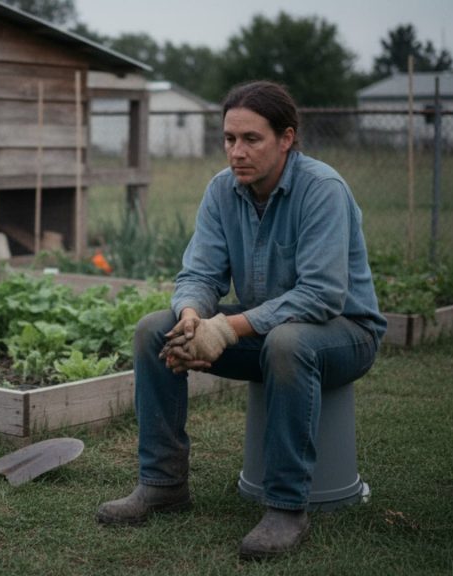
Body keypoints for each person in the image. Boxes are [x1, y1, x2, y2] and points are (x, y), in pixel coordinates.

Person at [95, 80, 387, 560]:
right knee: (154, 329)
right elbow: (200, 272)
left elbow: (321, 295)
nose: (237, 151)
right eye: (230, 139)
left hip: (344, 334)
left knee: (289, 343)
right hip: (268, 331)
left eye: (251, 139)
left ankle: (286, 507)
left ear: (286, 139)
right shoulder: (221, 190)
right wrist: (192, 317)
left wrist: (226, 328)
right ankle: (163, 484)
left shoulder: (323, 190)